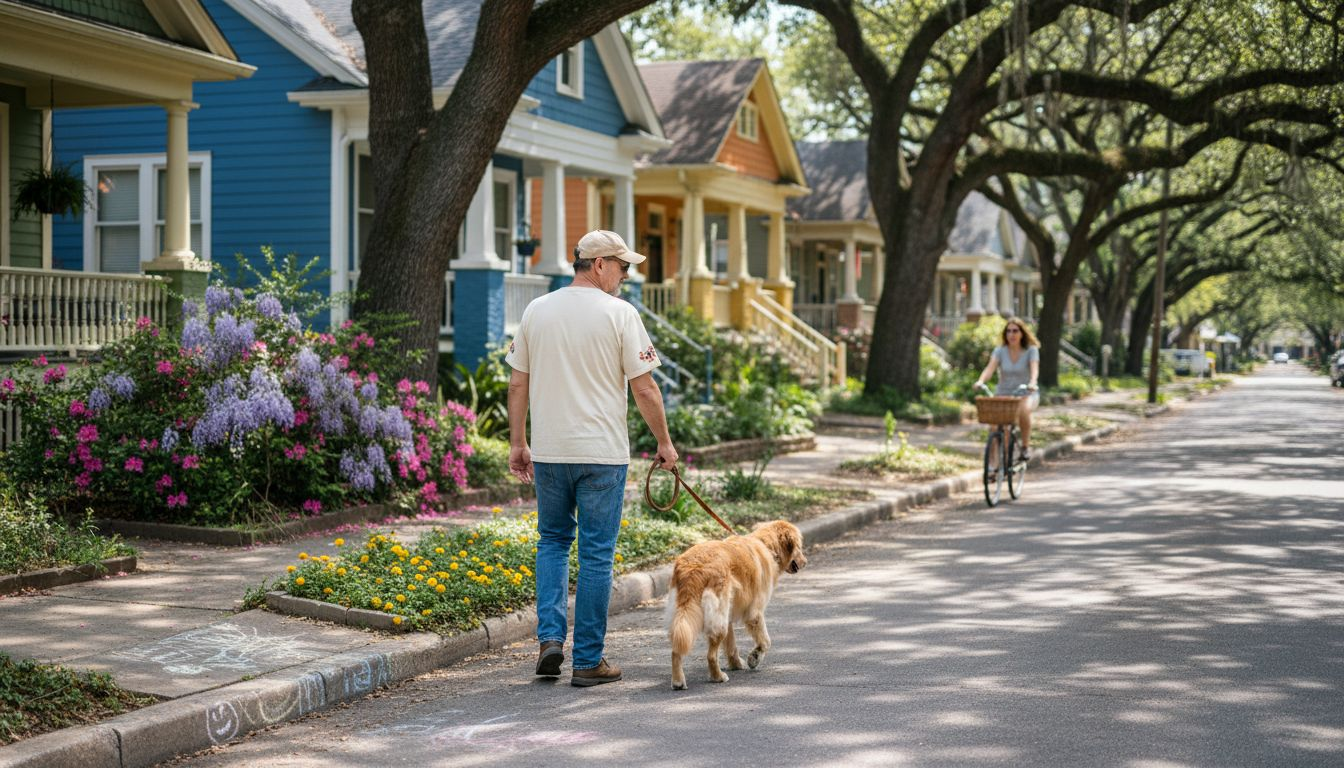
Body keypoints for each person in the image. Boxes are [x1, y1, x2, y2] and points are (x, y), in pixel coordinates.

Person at [505, 229, 678, 688]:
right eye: (622, 266)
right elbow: (644, 387)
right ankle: (588, 661)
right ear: (598, 264)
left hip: (549, 451)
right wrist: (664, 443)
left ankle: (549, 641)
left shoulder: (536, 311)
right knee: (597, 555)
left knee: (553, 542)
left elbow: (517, 382)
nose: (625, 275)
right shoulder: (621, 315)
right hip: (602, 454)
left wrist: (517, 443)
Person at [973, 317, 1041, 462]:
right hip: (1003, 394)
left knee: (1023, 410)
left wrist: (1032, 383)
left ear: (1022, 333)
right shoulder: (1000, 351)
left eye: (1015, 331)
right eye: (1008, 331)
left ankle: (1025, 447)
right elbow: (989, 369)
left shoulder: (1031, 350)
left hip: (1026, 392)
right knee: (994, 427)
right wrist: (980, 381)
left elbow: (1034, 370)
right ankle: (994, 464)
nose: (1012, 334)